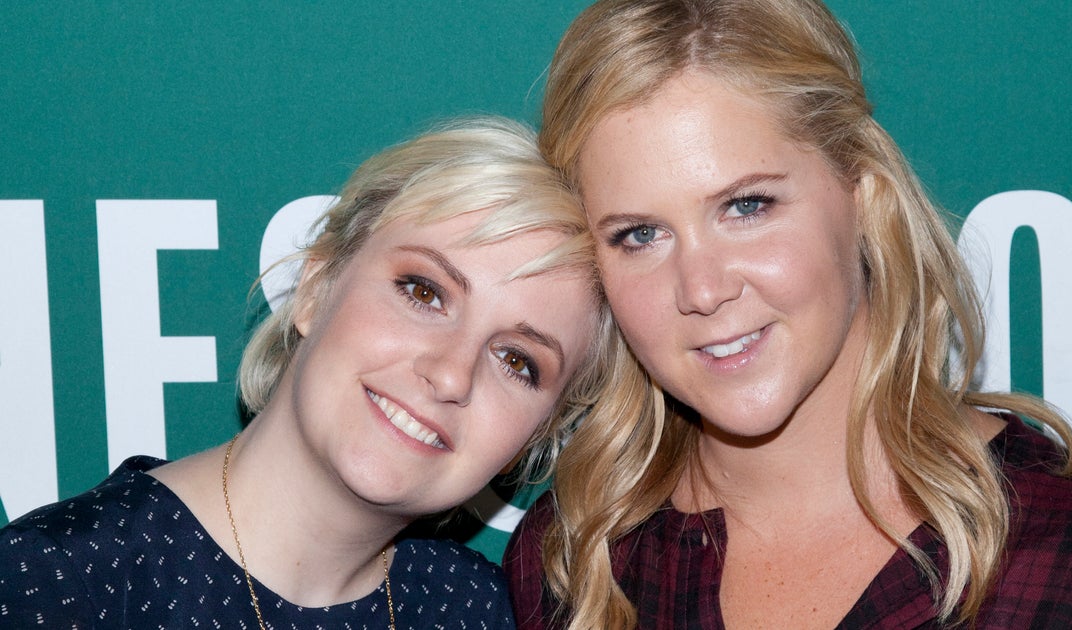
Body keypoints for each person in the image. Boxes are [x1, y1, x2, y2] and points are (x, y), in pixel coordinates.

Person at [502, 1, 1072, 628]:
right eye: (640, 235)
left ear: (862, 194)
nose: (703, 290)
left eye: (746, 206)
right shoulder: (572, 564)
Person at [0, 117, 623, 629]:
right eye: (424, 292)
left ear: (541, 434)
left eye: (517, 361)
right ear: (316, 287)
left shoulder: (479, 612)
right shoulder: (51, 583)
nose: (451, 375)